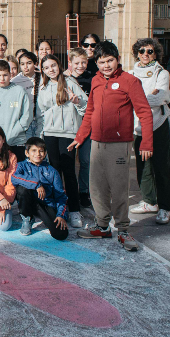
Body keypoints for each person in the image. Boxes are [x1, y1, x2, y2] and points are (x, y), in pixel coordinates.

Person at [69, 41, 154, 252]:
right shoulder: (96, 81)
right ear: (95, 63)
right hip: (97, 142)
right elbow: (90, 112)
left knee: (118, 189)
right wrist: (81, 137)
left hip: (119, 144)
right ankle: (102, 225)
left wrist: (147, 142)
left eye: (109, 60)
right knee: (97, 187)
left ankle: (123, 230)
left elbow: (144, 113)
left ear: (117, 59)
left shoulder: (130, 81)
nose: (106, 65)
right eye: (101, 62)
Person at [37, 54, 88, 228]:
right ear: (43, 70)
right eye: (46, 67)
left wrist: (77, 101)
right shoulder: (43, 86)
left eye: (53, 66)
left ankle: (74, 210)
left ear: (59, 65)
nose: (50, 70)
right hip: (50, 133)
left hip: (68, 133)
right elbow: (40, 112)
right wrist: (40, 134)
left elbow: (86, 106)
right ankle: (59, 208)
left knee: (69, 171)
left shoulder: (70, 82)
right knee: (54, 172)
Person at [128, 39, 170, 225]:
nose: (145, 54)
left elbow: (162, 96)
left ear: (156, 54)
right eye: (141, 51)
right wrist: (151, 96)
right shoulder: (130, 74)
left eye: (150, 51)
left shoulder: (162, 73)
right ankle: (149, 201)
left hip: (157, 124)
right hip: (137, 127)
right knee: (142, 167)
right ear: (136, 53)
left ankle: (164, 207)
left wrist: (138, 99)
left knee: (161, 167)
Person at [11, 137, 69, 240]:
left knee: (61, 234)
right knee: (22, 189)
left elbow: (61, 196)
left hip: (45, 204)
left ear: (45, 153)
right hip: (28, 201)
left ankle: (39, 214)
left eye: (41, 151)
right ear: (27, 153)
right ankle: (27, 218)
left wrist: (61, 215)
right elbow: (14, 177)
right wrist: (36, 184)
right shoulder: (21, 166)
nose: (38, 154)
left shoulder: (52, 171)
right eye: (34, 150)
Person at [0, 59, 32, 161]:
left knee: (16, 174)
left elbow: (27, 117)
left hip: (16, 142)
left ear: (10, 74)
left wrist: (11, 134)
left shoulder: (20, 91)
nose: (2, 78)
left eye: (5, 75)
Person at [64, 47, 92, 210]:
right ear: (70, 63)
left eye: (83, 62)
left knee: (85, 160)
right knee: (67, 162)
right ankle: (68, 191)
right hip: (69, 125)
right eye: (77, 63)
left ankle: (84, 191)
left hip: (86, 125)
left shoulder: (93, 78)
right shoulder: (64, 79)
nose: (80, 66)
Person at [14, 52, 42, 139]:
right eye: (22, 64)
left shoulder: (43, 78)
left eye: (29, 63)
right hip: (25, 121)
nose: (25, 67)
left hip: (41, 120)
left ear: (35, 64)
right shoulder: (15, 81)